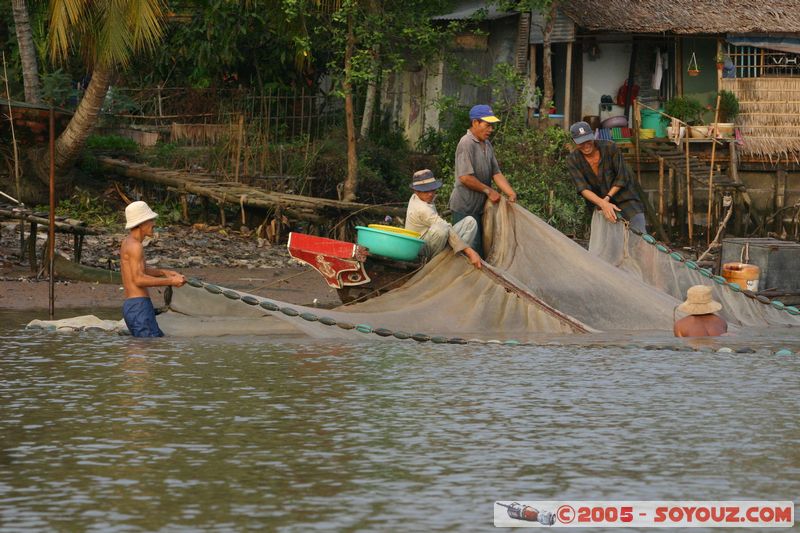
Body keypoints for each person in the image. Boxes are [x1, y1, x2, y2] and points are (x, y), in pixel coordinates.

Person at [449, 104, 517, 256]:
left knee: (482, 250)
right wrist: (488, 190)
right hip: (465, 208)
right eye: (487, 125)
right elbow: (465, 177)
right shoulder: (466, 143)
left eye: (492, 126)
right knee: (469, 252)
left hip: (480, 208)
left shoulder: (487, 144)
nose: (491, 130)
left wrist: (510, 192)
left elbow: (496, 172)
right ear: (475, 123)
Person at [566, 121, 647, 233]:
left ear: (593, 136)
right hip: (599, 204)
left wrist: (607, 199)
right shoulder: (572, 160)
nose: (585, 145)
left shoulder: (610, 147)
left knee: (639, 236)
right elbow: (583, 188)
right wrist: (603, 204)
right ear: (574, 141)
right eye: (581, 142)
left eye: (588, 140)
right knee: (609, 242)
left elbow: (622, 177)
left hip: (625, 198)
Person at [120, 201, 186, 337]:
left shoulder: (128, 242)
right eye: (150, 220)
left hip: (133, 306)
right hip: (139, 307)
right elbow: (138, 279)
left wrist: (163, 272)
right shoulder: (135, 247)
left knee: (152, 347)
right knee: (146, 351)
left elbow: (140, 270)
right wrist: (171, 281)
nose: (153, 223)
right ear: (141, 223)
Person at [405, 169, 482, 269]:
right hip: (419, 249)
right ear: (416, 191)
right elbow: (444, 227)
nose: (430, 194)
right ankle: (433, 265)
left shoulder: (418, 197)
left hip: (432, 241)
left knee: (470, 222)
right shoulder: (421, 208)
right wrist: (470, 252)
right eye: (426, 191)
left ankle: (455, 259)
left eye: (432, 190)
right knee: (441, 229)